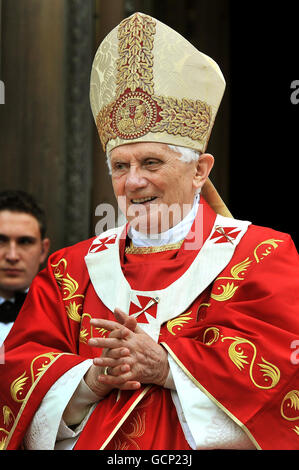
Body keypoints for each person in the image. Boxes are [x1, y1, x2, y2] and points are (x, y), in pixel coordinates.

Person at [0, 12, 298, 451]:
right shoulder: (70, 269)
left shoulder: (261, 255)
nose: (133, 182)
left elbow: (281, 378)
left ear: (200, 169)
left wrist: (165, 366)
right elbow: (16, 376)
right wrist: (89, 379)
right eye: (121, 166)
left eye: (152, 163)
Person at [0, 190, 50, 344]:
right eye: (1, 241)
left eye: (25, 242)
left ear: (43, 250)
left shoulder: (66, 317)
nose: (12, 256)